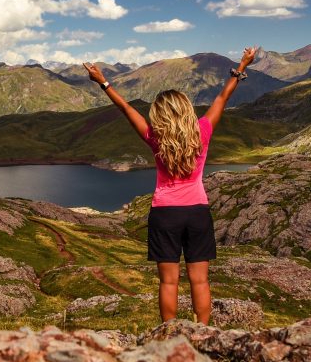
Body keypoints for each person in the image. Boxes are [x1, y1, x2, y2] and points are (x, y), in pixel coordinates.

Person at [82, 46, 259, 324]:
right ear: (187, 110)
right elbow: (223, 97)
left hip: (165, 214)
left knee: (168, 283)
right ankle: (203, 333)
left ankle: (169, 334)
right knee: (200, 282)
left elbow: (126, 108)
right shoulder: (202, 130)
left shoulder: (155, 137)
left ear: (160, 115)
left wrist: (103, 82)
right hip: (197, 212)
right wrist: (242, 65)